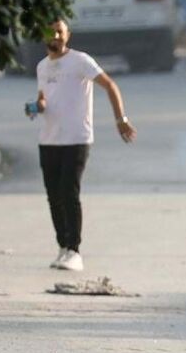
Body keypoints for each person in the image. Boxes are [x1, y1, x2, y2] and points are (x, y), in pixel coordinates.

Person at [30, 19, 137, 271]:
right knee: (53, 196)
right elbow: (43, 98)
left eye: (60, 31)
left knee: (69, 192)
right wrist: (38, 107)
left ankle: (75, 251)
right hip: (48, 139)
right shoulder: (42, 67)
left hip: (76, 138)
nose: (55, 35)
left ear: (68, 35)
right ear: (43, 34)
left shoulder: (80, 61)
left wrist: (120, 119)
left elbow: (110, 85)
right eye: (51, 30)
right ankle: (62, 248)